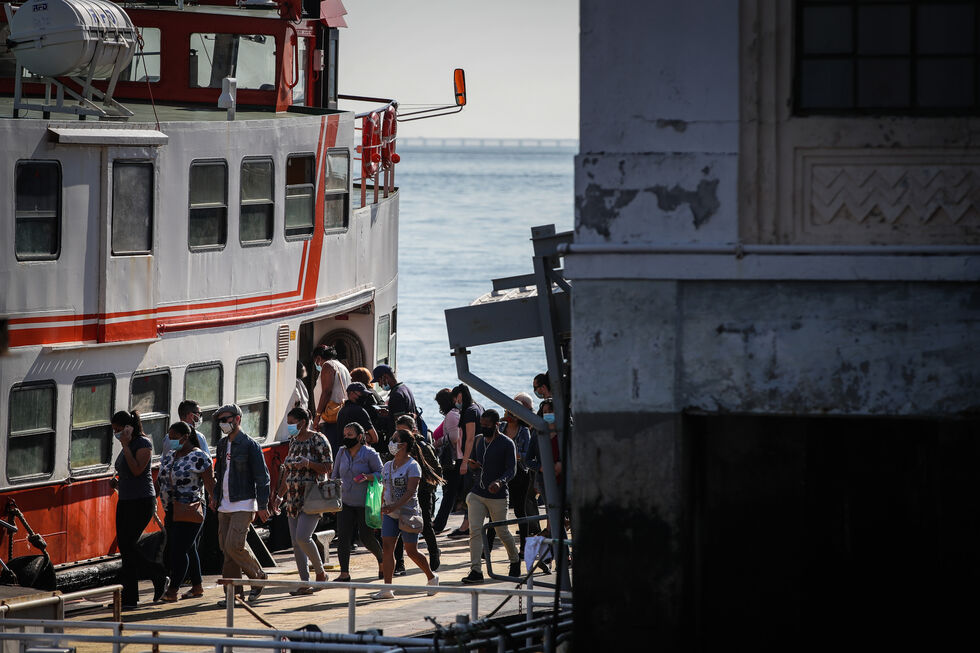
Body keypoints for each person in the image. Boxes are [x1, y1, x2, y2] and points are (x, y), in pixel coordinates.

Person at [211, 403, 271, 604]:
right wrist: (215, 497)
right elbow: (220, 474)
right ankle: (233, 596)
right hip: (224, 504)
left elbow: (262, 477)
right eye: (221, 420)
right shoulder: (222, 445)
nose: (223, 423)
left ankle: (258, 577)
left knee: (234, 545)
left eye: (227, 419)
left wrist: (262, 506)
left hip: (243, 503)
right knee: (226, 550)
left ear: (238, 419)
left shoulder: (250, 445)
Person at [270, 407, 332, 595]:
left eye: (291, 422)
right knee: (296, 543)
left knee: (302, 537)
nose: (289, 426)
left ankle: (320, 573)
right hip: (293, 498)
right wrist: (279, 496)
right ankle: (305, 582)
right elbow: (288, 471)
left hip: (312, 497)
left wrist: (308, 464)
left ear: (302, 422)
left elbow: (328, 467)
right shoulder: (294, 442)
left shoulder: (319, 439)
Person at [372, 429, 440, 600]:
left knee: (411, 551)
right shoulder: (387, 465)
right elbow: (384, 489)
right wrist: (382, 507)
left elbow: (410, 492)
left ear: (404, 445)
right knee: (387, 549)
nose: (391, 442)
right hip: (389, 513)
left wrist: (394, 505)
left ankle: (431, 577)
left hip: (408, 513)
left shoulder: (412, 466)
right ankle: (388, 588)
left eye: (395, 440)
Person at [111, 410, 169, 608]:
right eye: (114, 431)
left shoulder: (143, 444)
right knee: (125, 548)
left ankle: (158, 575)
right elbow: (125, 468)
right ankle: (130, 598)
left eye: (119, 430)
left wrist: (126, 445)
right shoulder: (126, 445)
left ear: (129, 428)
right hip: (126, 500)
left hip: (142, 500)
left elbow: (137, 470)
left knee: (129, 545)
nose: (116, 434)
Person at [157, 421, 215, 602]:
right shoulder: (170, 456)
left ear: (185, 436)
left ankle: (173, 591)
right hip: (171, 509)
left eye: (174, 437)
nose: (171, 441)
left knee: (178, 550)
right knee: (189, 548)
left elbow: (210, 483)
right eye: (169, 437)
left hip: (191, 508)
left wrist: (216, 500)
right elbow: (161, 479)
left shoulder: (200, 457)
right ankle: (197, 587)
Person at [461, 410, 520, 584]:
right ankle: (476, 571)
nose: (483, 428)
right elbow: (476, 463)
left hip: (498, 495)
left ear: (496, 425)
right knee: (475, 531)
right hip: (477, 493)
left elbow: (512, 469)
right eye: (482, 425)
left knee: (502, 531)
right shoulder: (479, 440)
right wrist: (474, 466)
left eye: (487, 425)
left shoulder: (507, 443)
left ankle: (515, 560)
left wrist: (500, 482)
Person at [330, 422, 384, 582]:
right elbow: (334, 476)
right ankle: (344, 573)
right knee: (343, 537)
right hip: (345, 502)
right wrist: (333, 499)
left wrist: (367, 477)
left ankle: (382, 560)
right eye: (345, 435)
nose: (346, 438)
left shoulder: (370, 454)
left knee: (366, 537)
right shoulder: (341, 452)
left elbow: (382, 474)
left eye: (350, 435)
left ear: (360, 437)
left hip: (364, 503)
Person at [396, 415, 443, 571]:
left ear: (413, 430)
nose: (400, 437)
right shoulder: (396, 447)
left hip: (422, 491)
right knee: (399, 524)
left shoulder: (423, 446)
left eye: (404, 432)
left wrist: (428, 489)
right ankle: (400, 563)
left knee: (426, 525)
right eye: (398, 432)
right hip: (401, 492)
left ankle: (434, 552)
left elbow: (436, 470)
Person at [501, 393, 536, 555]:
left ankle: (524, 547)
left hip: (520, 474)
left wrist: (512, 453)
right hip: (503, 472)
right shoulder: (501, 428)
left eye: (509, 413)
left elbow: (527, 454)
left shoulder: (523, 432)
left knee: (520, 510)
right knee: (498, 509)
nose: (506, 416)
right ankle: (485, 546)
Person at [448, 383, 483, 539]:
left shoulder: (469, 412)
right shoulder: (478, 407)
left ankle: (466, 526)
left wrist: (464, 462)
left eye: (455, 398)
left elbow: (469, 439)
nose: (455, 402)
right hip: (479, 457)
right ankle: (470, 524)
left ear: (460, 396)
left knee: (469, 494)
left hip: (471, 459)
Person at [310, 345, 351, 455]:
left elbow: (327, 391)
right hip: (340, 416)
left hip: (331, 418)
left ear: (318, 358)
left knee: (331, 452)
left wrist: (317, 415)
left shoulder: (328, 365)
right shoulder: (342, 367)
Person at [431, 388, 462, 534]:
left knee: (449, 493)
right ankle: (439, 522)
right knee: (450, 492)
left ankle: (438, 524)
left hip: (452, 460)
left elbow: (455, 437)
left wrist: (438, 442)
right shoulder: (454, 414)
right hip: (453, 460)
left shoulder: (451, 415)